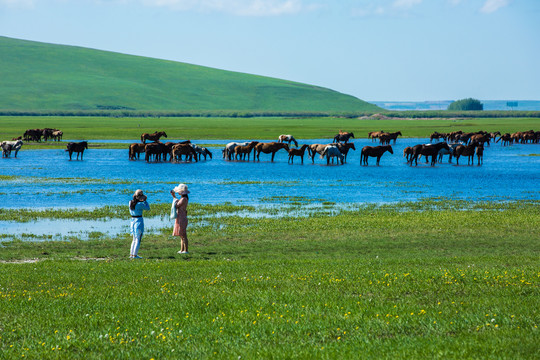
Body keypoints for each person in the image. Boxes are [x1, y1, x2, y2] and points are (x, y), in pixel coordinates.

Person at [129, 189, 150, 259]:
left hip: (132, 220)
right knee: (138, 239)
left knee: (134, 238)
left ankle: (132, 254)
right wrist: (145, 201)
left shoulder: (130, 202)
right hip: (138, 220)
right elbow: (148, 208)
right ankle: (135, 255)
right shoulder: (140, 204)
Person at [171, 183, 190, 254]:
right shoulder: (183, 198)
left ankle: (186, 250)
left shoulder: (183, 199)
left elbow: (176, 205)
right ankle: (182, 250)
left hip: (182, 217)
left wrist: (173, 196)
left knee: (184, 235)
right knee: (181, 235)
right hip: (181, 216)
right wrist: (174, 196)